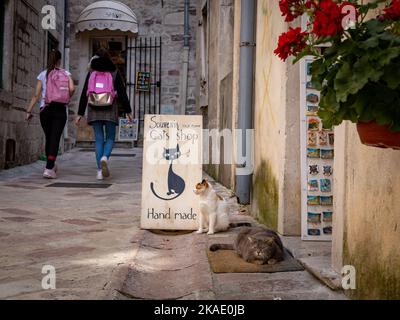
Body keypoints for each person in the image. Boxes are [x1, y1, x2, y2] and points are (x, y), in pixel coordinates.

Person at [76, 48, 132, 180]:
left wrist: (79, 113)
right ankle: (105, 157)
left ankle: (100, 171)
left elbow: (85, 93)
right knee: (111, 137)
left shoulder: (91, 73)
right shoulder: (114, 72)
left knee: (99, 139)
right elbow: (122, 93)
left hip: (93, 108)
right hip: (109, 108)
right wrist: (128, 111)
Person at [26, 50, 75, 179]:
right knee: (55, 138)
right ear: (60, 60)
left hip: (45, 110)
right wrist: (66, 97)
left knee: (49, 137)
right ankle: (49, 167)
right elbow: (72, 89)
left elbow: (36, 95)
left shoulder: (43, 74)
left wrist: (28, 110)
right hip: (59, 109)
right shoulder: (65, 73)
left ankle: (50, 164)